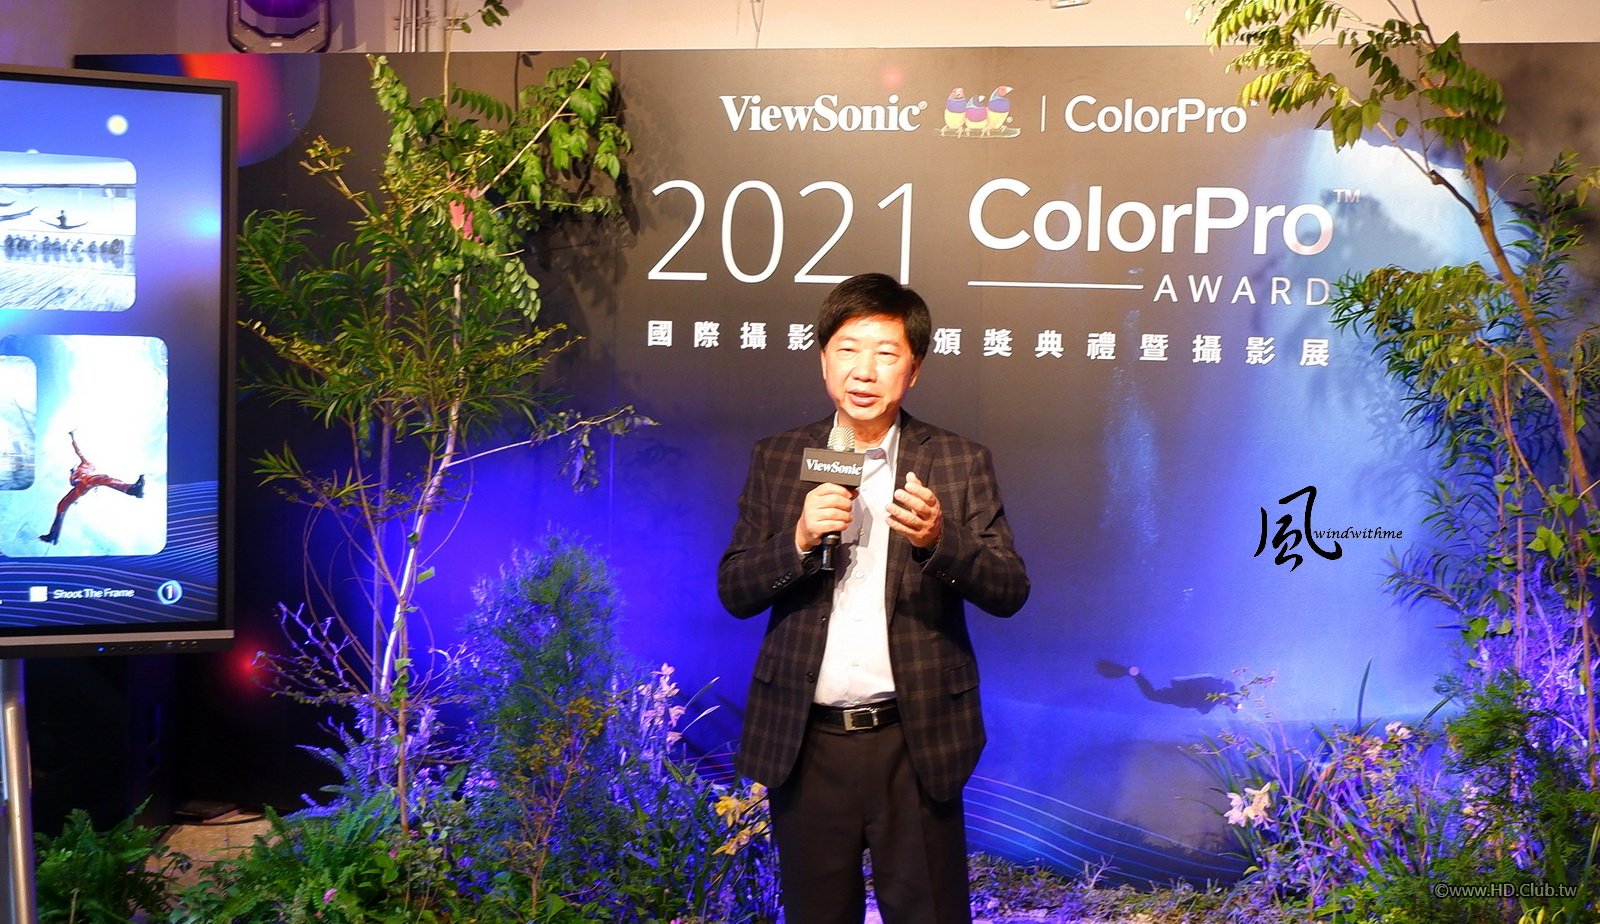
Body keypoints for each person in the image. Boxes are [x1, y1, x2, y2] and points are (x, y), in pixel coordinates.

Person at [718, 272, 1030, 923]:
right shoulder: (780, 457)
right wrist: (798, 539)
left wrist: (941, 541)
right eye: (848, 350)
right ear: (823, 360)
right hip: (806, 742)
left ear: (913, 370)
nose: (864, 371)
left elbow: (1009, 590)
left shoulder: (957, 461)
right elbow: (736, 589)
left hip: (914, 741)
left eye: (886, 353)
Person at [38, 430, 145, 545]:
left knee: (100, 478)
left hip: (85, 483)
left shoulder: (87, 464)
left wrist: (73, 437)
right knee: (62, 505)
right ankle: (53, 535)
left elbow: (78, 451)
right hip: (78, 488)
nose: (92, 467)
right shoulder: (77, 472)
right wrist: (73, 474)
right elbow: (73, 483)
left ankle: (131, 489)